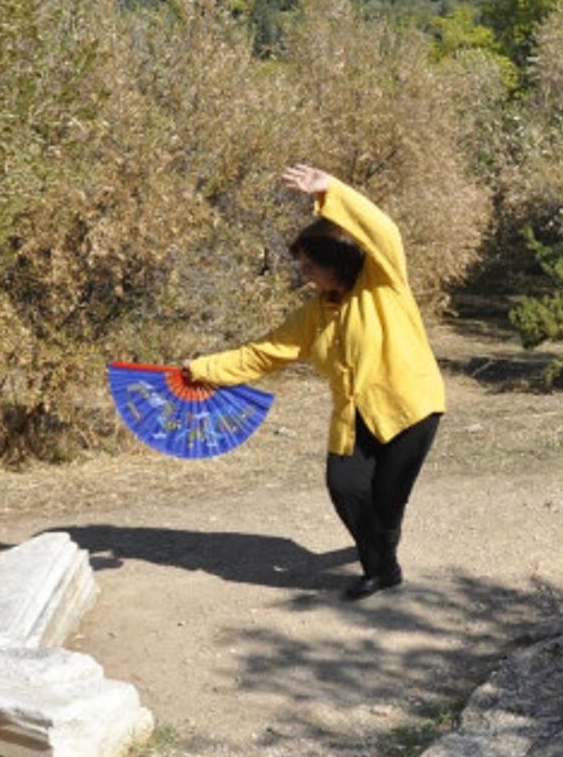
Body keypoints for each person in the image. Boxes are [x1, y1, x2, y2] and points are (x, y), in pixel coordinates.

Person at [185, 164, 444, 600]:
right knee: (345, 486)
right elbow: (265, 353)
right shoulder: (313, 315)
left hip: (409, 408)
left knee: (385, 500)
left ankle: (380, 564)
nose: (303, 271)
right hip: (354, 416)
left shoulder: (384, 286)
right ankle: (383, 563)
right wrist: (202, 369)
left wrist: (332, 191)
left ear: (337, 262)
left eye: (310, 264)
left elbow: (384, 231)